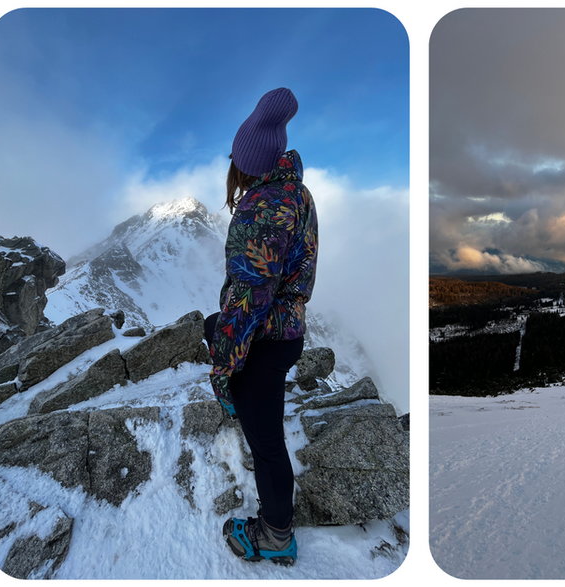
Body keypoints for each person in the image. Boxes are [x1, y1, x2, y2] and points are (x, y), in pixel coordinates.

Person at [204, 87, 318, 565]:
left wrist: (224, 370)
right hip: (287, 331)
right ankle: (247, 402)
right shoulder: (296, 192)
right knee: (214, 323)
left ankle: (275, 536)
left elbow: (251, 300)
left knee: (267, 444)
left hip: (264, 340)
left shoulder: (260, 208)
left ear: (245, 161)